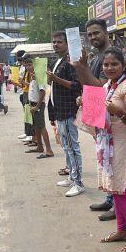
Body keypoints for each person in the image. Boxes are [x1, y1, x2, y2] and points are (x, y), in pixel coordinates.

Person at [81, 48, 126, 252]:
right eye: (106, 65)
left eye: (114, 64)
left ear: (123, 65)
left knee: (121, 192)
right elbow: (98, 112)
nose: (109, 68)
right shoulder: (108, 86)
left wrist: (118, 111)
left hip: (122, 145)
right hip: (108, 146)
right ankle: (121, 230)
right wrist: (84, 103)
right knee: (115, 191)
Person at [73, 18, 116, 220]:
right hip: (98, 115)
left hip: (111, 117)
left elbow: (101, 87)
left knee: (113, 161)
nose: (93, 37)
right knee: (104, 160)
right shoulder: (95, 56)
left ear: (106, 32)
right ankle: (110, 198)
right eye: (89, 34)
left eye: (96, 33)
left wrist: (83, 69)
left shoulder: (111, 55)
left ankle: (118, 205)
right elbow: (88, 85)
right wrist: (81, 68)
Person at [48, 31, 83, 197]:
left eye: (59, 42)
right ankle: (71, 176)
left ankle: (78, 182)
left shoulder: (70, 62)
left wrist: (56, 79)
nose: (56, 44)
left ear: (67, 44)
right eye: (54, 42)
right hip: (60, 111)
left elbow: (77, 85)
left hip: (68, 111)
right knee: (67, 147)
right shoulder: (58, 61)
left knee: (73, 148)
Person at [24, 58, 54, 159]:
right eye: (27, 65)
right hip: (33, 104)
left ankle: (49, 150)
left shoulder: (40, 77)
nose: (28, 67)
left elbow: (43, 92)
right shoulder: (33, 77)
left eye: (30, 65)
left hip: (38, 105)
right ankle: (40, 146)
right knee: (36, 126)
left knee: (42, 126)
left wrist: (37, 107)